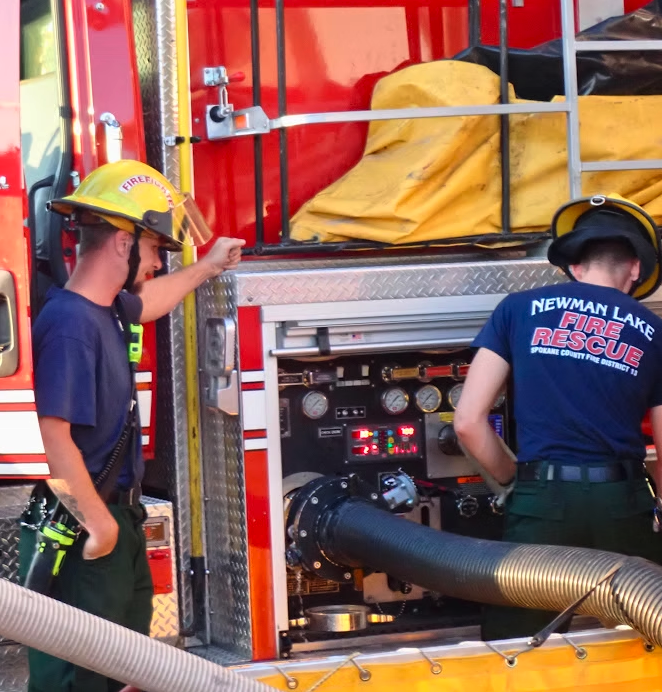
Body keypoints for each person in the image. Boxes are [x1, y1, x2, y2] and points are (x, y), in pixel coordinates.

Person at [19, 159, 245, 692]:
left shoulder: (104, 310)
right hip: (82, 530)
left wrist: (208, 267)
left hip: (109, 524)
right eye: (153, 251)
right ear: (123, 243)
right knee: (79, 681)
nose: (156, 265)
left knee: (129, 673)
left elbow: (145, 306)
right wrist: (101, 528)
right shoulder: (73, 326)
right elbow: (56, 437)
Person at [454, 193, 662, 642]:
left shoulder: (517, 309)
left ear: (575, 266)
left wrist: (517, 479)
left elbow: (468, 421)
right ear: (636, 269)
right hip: (622, 504)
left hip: (541, 503)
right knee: (644, 639)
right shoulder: (655, 331)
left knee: (516, 651)